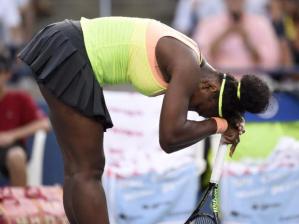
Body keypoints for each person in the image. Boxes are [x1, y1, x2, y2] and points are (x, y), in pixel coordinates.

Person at [18, 17, 270, 224]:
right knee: (87, 171)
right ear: (209, 88)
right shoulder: (189, 66)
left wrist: (230, 118)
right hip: (72, 51)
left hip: (64, 45)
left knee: (79, 171)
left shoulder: (202, 71)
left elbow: (224, 97)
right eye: (201, 109)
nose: (192, 109)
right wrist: (219, 124)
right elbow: (169, 138)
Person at [0, 51, 50, 186]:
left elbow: (45, 124)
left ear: (7, 74)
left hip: (10, 148)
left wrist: (11, 135)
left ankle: (19, 204)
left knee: (17, 156)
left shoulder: (20, 99)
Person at [193, 0, 279, 72]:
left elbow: (271, 60)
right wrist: (225, 35)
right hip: (218, 81)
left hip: (253, 81)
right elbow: (198, 58)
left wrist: (247, 41)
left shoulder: (261, 24)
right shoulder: (208, 24)